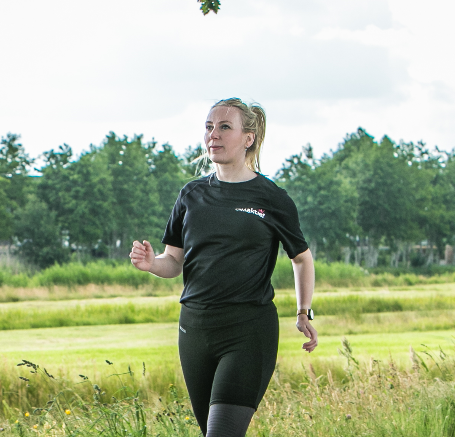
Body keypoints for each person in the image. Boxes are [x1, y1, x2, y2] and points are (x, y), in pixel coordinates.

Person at [128, 98, 318, 437]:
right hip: (195, 330)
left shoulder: (271, 198)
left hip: (248, 329)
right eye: (208, 127)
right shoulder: (191, 195)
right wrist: (152, 264)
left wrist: (305, 311)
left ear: (248, 138)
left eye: (224, 127)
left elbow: (301, 257)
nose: (213, 135)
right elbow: (174, 261)